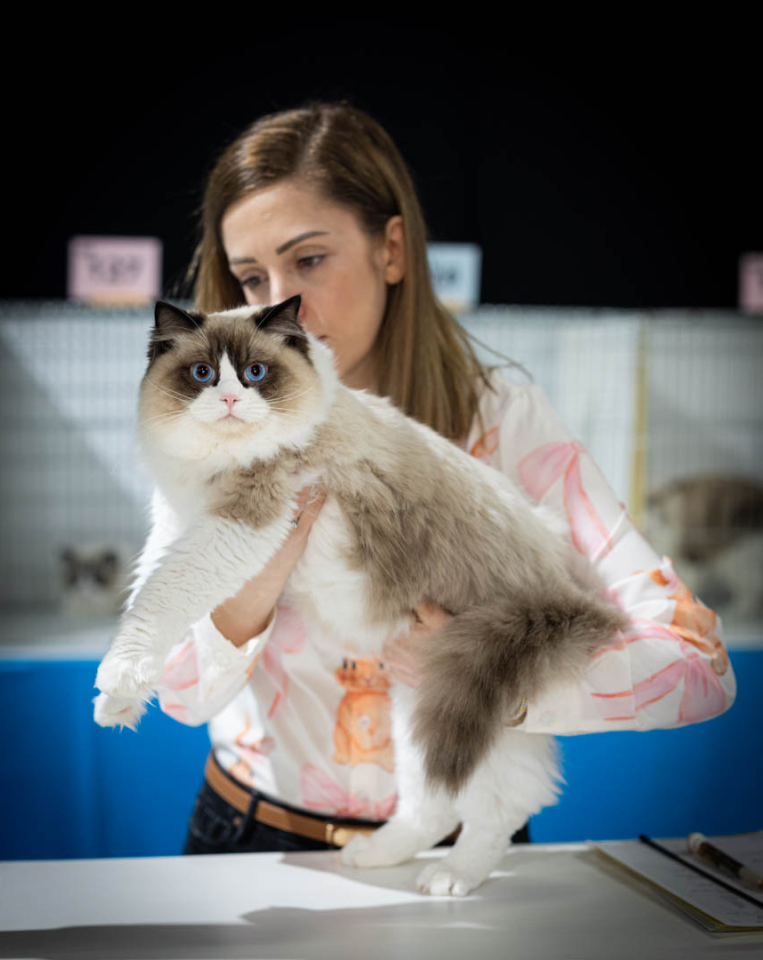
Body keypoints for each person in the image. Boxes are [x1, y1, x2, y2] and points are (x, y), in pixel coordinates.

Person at [153, 102, 736, 856]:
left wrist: (487, 672)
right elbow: (177, 692)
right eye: (249, 275)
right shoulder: (218, 434)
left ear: (391, 250)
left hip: (467, 847)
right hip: (256, 840)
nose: (277, 304)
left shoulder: (504, 422)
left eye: (310, 260)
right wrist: (247, 592)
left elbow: (698, 663)